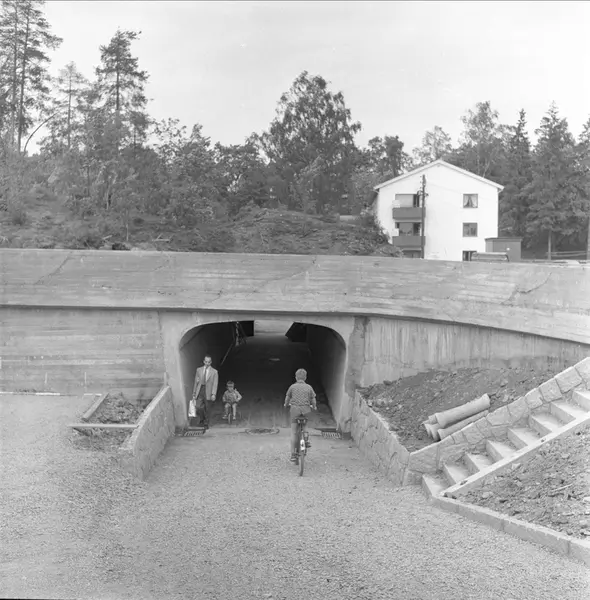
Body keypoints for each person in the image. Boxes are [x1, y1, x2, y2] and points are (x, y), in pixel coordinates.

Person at [284, 368, 317, 462]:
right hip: (306, 410)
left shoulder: (292, 387)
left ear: (296, 377)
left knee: (294, 432)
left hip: (295, 411)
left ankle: (293, 455)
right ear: (305, 377)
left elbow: (287, 398)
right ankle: (306, 439)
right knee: (305, 425)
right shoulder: (309, 387)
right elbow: (313, 399)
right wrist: (314, 406)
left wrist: (286, 405)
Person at [191, 355, 219, 428]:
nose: (207, 363)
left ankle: (206, 423)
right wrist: (194, 393)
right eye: (206, 362)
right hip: (200, 389)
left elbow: (215, 384)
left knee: (207, 408)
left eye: (209, 362)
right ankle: (202, 419)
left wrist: (213, 394)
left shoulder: (214, 372)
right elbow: (196, 382)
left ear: (211, 362)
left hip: (208, 391)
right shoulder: (198, 370)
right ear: (203, 361)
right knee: (198, 406)